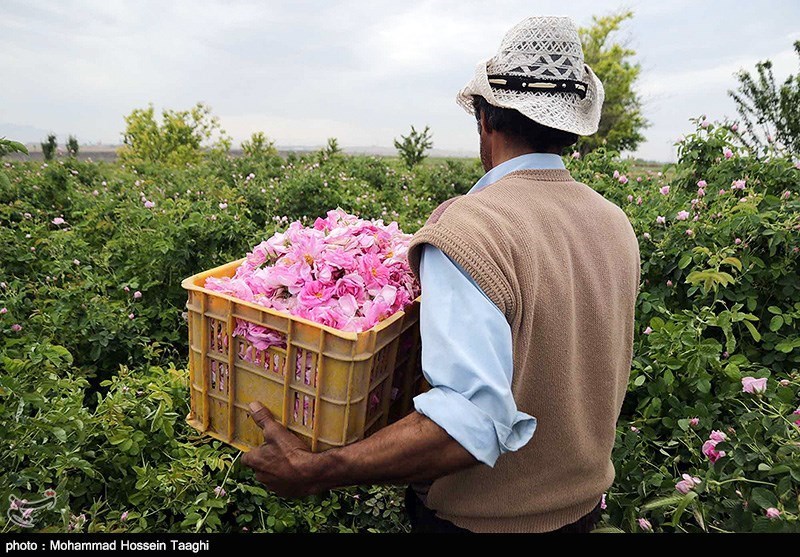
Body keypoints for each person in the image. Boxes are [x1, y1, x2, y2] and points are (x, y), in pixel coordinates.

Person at [241, 15, 641, 534]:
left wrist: (318, 469)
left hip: (485, 523)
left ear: (485, 118)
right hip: (580, 512)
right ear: (569, 127)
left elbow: (468, 426)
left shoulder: (472, 230)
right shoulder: (614, 222)